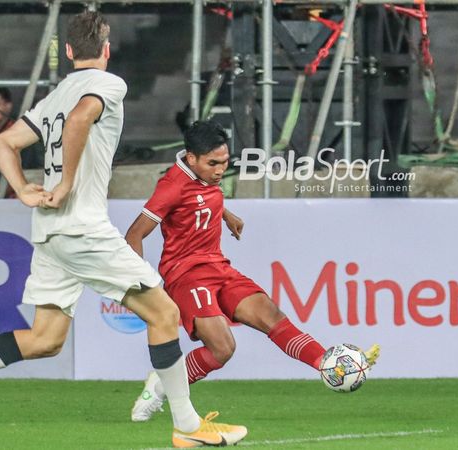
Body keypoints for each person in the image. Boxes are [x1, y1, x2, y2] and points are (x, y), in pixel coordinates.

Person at [0, 12, 247, 448]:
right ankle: (187, 426)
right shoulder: (108, 84)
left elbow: (2, 144)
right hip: (82, 228)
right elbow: (81, 120)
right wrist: (65, 183)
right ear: (105, 50)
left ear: (68, 52)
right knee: (163, 314)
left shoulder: (56, 94)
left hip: (50, 232)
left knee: (45, 339)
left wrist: (25, 191)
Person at [126, 121, 380, 422]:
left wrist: (226, 215)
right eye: (213, 164)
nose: (220, 169)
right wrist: (143, 289)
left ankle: (330, 365)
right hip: (187, 274)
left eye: (225, 162)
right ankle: (161, 384)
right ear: (191, 158)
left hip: (218, 267)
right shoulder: (171, 186)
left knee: (271, 315)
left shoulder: (204, 173)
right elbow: (134, 234)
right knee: (222, 349)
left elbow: (202, 200)